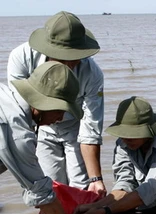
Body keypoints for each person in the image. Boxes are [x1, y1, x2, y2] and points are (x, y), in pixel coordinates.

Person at [7, 11, 106, 196]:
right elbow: (18, 112)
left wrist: (96, 179)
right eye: (61, 58)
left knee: (82, 187)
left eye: (74, 58)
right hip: (40, 126)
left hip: (74, 127)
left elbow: (90, 128)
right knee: (50, 186)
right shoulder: (21, 58)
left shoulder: (93, 73)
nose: (68, 66)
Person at [0, 60, 90, 214]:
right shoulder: (18, 133)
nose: (60, 119)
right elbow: (40, 193)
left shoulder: (6, 95)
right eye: (59, 111)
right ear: (41, 105)